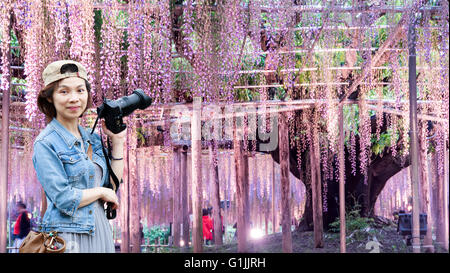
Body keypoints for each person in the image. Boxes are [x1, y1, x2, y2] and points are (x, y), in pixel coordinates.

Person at [32, 60, 126, 253]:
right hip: (68, 236)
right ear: (50, 97)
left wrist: (117, 142)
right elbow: (64, 198)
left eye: (80, 90)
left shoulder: (92, 138)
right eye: (64, 91)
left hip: (99, 229)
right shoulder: (46, 143)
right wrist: (101, 192)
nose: (74, 98)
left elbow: (111, 187)